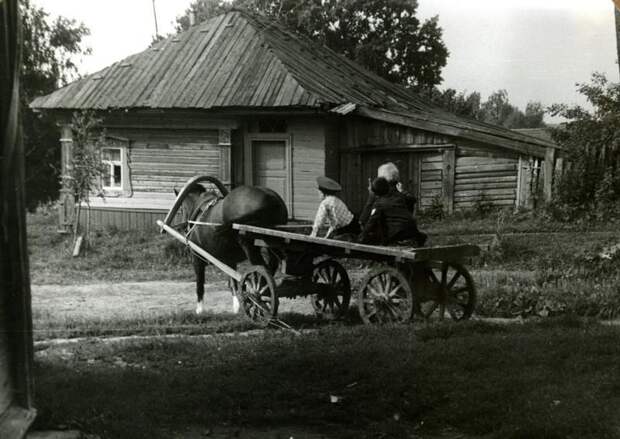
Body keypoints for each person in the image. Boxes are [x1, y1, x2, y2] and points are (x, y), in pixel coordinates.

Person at [359, 176, 427, 246]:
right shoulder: (398, 196)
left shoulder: (379, 204)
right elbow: (412, 199)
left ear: (376, 193)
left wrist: (362, 236)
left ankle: (396, 242)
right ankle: (414, 239)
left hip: (397, 234)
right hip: (412, 230)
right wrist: (403, 191)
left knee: (379, 221)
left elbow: (371, 222)